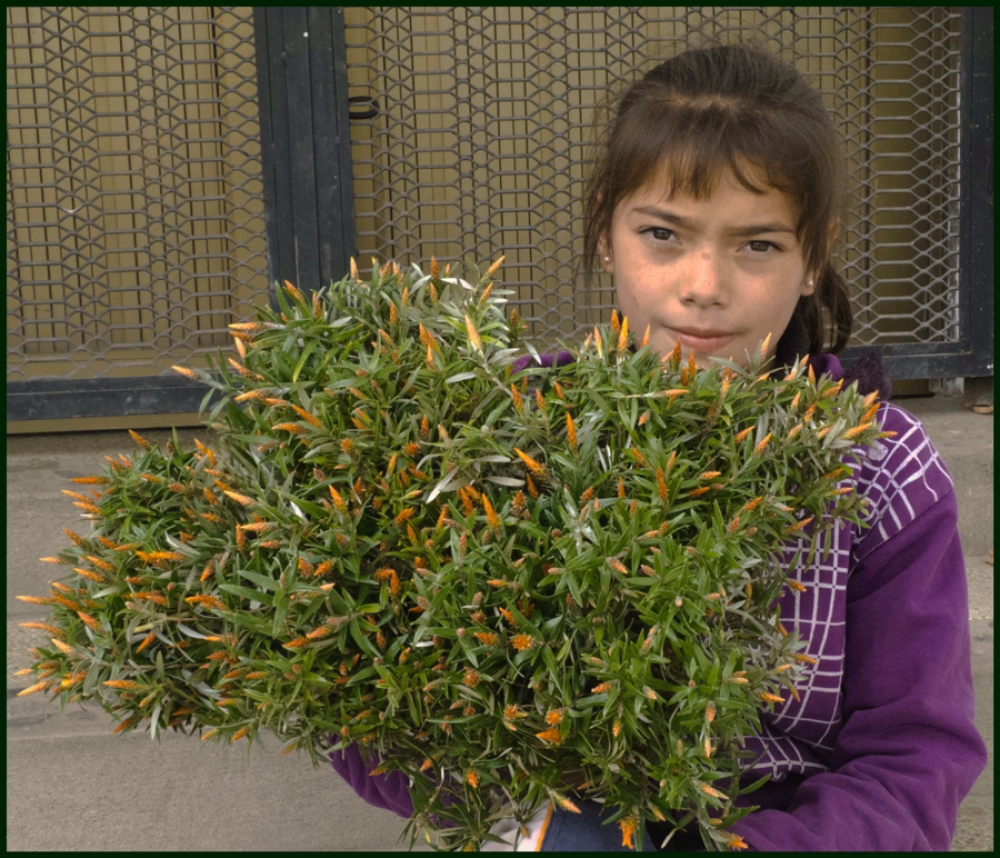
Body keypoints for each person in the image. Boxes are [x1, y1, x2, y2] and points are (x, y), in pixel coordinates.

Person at [329, 39, 987, 851]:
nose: (703, 285)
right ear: (606, 229)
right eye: (664, 235)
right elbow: (379, 721)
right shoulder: (501, 438)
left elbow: (911, 763)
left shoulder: (881, 469)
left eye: (758, 244)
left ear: (814, 256)